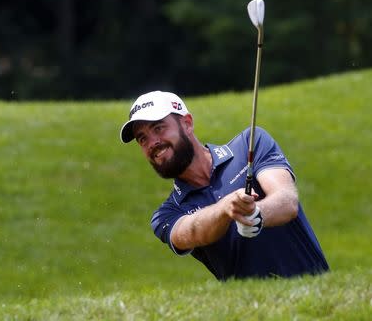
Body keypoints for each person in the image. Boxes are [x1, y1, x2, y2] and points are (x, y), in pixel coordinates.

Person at [119, 90, 329, 280]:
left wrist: (257, 214)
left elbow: (286, 200)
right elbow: (191, 232)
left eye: (159, 128)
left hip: (319, 298)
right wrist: (226, 209)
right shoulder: (166, 214)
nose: (152, 143)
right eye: (142, 138)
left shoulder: (250, 144)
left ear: (187, 123)